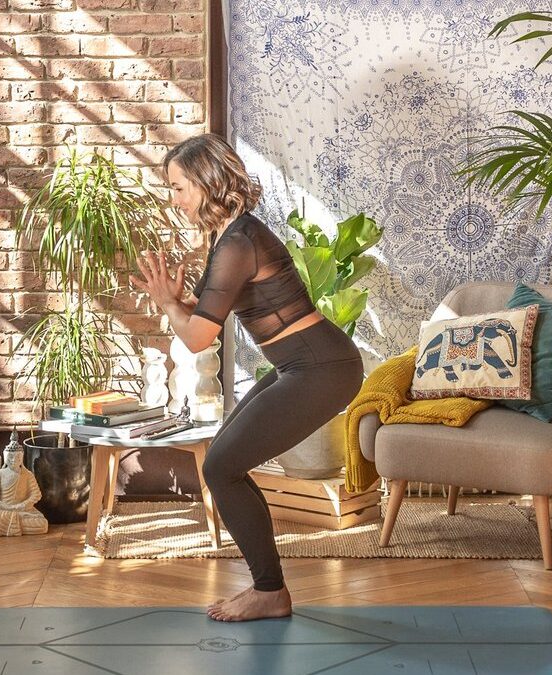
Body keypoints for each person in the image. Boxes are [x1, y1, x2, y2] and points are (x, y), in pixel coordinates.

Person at [130, 133, 364, 622]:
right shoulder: (232, 235)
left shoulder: (237, 242)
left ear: (205, 181)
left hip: (320, 368)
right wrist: (179, 302)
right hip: (304, 364)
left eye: (178, 187)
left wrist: (168, 303)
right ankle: (268, 588)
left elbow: (196, 338)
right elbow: (208, 314)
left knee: (219, 467)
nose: (174, 200)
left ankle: (269, 591)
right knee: (224, 462)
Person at [0, 434, 49, 537]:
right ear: (5, 457)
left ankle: (19, 521)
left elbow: (36, 494)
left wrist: (23, 505)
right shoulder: (0, 474)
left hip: (23, 510)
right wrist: (7, 507)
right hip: (4, 510)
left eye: (17, 457)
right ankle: (18, 522)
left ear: (22, 457)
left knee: (42, 524)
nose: (13, 460)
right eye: (10, 457)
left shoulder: (28, 475)